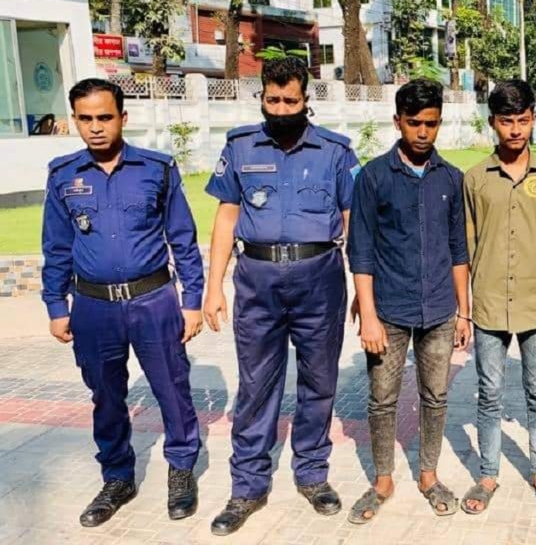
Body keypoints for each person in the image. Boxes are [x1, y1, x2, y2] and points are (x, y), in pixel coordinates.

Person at [203, 57, 359, 535]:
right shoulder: (240, 146)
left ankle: (312, 473)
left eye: (291, 100)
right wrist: (213, 286)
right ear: (262, 98)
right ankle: (248, 485)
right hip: (258, 280)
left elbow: (352, 220)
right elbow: (227, 216)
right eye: (273, 100)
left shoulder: (335, 151)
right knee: (256, 384)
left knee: (319, 379)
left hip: (320, 279)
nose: (281, 108)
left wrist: (361, 287)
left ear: (305, 99)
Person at [41, 78, 204, 527]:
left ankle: (181, 470)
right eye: (85, 118)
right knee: (106, 395)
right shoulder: (63, 175)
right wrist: (56, 306)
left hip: (153, 301)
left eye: (104, 117)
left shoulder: (157, 168)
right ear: (75, 120)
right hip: (93, 308)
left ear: (123, 118)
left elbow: (183, 240)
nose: (95, 127)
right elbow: (56, 246)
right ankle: (117, 477)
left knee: (172, 388)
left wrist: (192, 300)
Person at [346, 78, 472, 523]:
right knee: (383, 399)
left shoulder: (451, 179)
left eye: (431, 124)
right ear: (397, 121)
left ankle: (429, 475)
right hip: (389, 311)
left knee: (435, 396)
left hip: (439, 309)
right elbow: (360, 250)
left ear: (440, 123)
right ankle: (382, 479)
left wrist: (464, 312)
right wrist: (369, 315)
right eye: (414, 122)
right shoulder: (373, 177)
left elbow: (459, 250)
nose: (422, 132)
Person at [460, 80, 536, 514]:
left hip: (535, 303)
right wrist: (465, 308)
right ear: (493, 123)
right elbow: (467, 243)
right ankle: (488, 474)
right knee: (489, 392)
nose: (516, 130)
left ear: (534, 120)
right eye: (507, 121)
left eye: (524, 120)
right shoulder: (475, 179)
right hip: (488, 303)